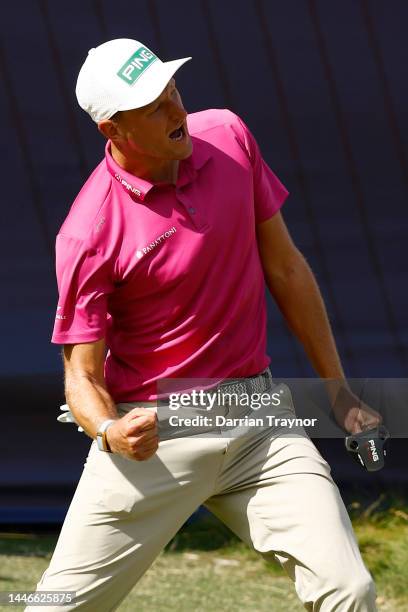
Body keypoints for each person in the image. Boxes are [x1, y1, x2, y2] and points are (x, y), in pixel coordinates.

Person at [26, 38, 379, 611]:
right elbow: (82, 378)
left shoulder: (229, 136)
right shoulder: (88, 232)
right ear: (113, 130)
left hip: (258, 421)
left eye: (175, 93)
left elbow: (286, 268)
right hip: (156, 436)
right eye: (156, 106)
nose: (178, 113)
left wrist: (337, 389)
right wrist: (111, 432)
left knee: (349, 588)